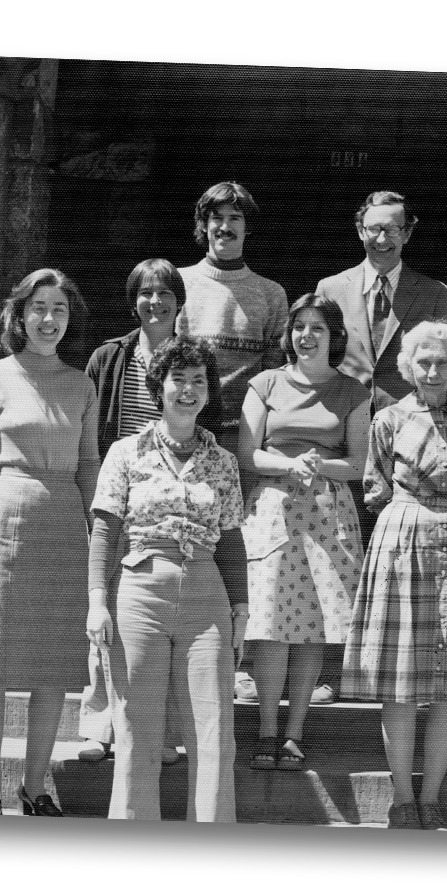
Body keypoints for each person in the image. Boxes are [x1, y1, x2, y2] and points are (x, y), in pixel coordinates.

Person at [0, 268, 99, 816]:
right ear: (19, 314)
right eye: (39, 307)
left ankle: (35, 786)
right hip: (4, 521)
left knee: (52, 665)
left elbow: (89, 465)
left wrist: (101, 537)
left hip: (63, 526)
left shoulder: (82, 384)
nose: (49, 319)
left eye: (59, 309)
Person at [86, 334, 248, 821]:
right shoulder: (125, 452)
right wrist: (96, 602)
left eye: (199, 381)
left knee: (215, 727)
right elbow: (104, 530)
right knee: (137, 725)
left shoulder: (223, 461)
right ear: (159, 386)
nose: (188, 389)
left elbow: (233, 541)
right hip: (140, 590)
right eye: (179, 379)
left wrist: (241, 611)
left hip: (206, 592)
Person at [342, 321, 447, 831]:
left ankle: (431, 798)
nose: (432, 370)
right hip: (401, 539)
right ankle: (402, 799)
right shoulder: (387, 419)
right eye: (423, 362)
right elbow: (375, 484)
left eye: (442, 362)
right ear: (408, 366)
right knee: (402, 680)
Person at [77, 259, 223, 765]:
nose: (155, 301)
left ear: (180, 301)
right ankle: (100, 725)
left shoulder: (195, 359)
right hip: (123, 492)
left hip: (172, 498)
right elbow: (92, 433)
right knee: (109, 617)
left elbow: (209, 423)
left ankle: (154, 732)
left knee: (158, 630)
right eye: (144, 292)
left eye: (165, 292)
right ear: (132, 300)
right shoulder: (108, 356)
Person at [313, 190, 447, 704]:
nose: (382, 238)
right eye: (373, 228)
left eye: (392, 228)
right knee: (335, 551)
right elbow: (314, 353)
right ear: (360, 231)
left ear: (407, 232)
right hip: (342, 432)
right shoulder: (331, 288)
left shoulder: (432, 291)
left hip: (408, 442)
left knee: (398, 559)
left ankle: (394, 669)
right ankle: (332, 668)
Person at [237, 294, 370, 770]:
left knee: (312, 626)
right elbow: (248, 453)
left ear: (334, 336)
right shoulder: (266, 383)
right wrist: (290, 464)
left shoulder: (352, 391)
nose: (307, 336)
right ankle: (267, 731)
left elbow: (359, 464)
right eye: (299, 327)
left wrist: (321, 465)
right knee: (271, 625)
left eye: (318, 328)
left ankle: (295, 733)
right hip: (274, 508)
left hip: (327, 512)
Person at [177, 181, 288, 704]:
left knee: (239, 552)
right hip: (188, 437)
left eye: (236, 220)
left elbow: (275, 376)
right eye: (217, 219)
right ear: (204, 226)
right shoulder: (178, 284)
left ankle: (237, 660)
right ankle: (185, 653)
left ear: (248, 227)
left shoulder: (270, 294)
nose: (226, 228)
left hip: (241, 441)